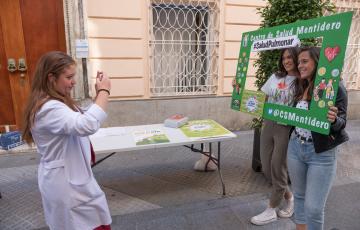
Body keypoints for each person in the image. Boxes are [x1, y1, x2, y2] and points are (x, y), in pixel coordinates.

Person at [22, 51, 112, 230]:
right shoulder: (49, 108)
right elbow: (87, 124)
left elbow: (79, 117)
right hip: (67, 185)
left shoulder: (54, 102)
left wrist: (96, 98)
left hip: (69, 179)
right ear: (51, 78)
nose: (74, 81)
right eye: (69, 77)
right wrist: (104, 90)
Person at [287, 46, 349, 230]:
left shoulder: (335, 87)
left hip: (321, 153)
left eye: (304, 61)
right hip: (295, 147)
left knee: (313, 208)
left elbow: (342, 122)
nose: (300, 65)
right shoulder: (300, 84)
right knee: (298, 196)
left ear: (318, 62)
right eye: (299, 62)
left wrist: (333, 119)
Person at [250, 47, 300, 225]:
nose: (287, 60)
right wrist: (239, 91)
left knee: (278, 166)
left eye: (290, 57)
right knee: (266, 166)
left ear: (296, 58)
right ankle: (290, 198)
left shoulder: (302, 82)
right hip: (269, 122)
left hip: (286, 127)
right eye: (284, 57)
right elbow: (261, 97)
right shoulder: (276, 77)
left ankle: (271, 209)